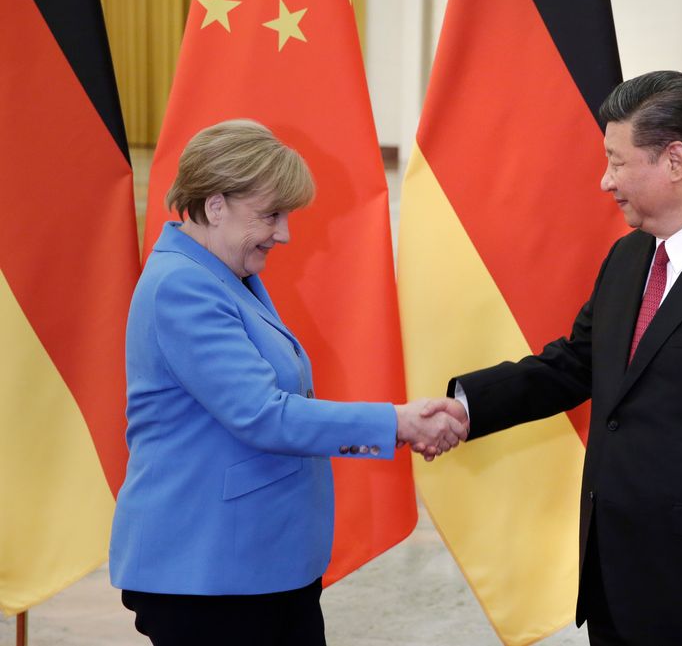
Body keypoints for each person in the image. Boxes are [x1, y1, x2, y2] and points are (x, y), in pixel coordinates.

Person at [423, 71, 682, 646]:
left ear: (674, 159)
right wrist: (466, 409)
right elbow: (574, 364)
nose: (605, 181)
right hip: (614, 573)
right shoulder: (627, 258)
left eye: (617, 163)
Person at [109, 119, 466, 646]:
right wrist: (397, 422)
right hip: (208, 571)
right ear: (215, 206)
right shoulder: (183, 288)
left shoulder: (223, 273)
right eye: (270, 215)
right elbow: (263, 413)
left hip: (257, 561)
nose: (284, 233)